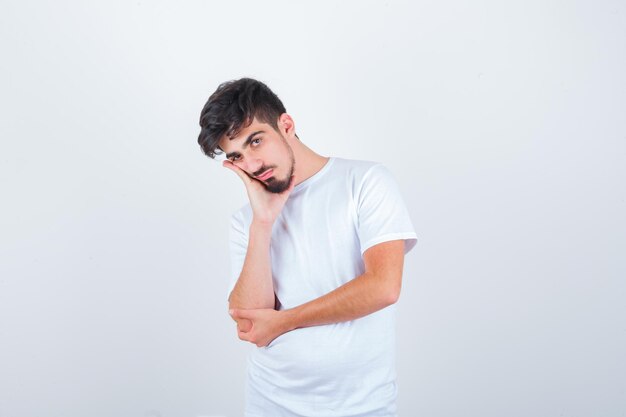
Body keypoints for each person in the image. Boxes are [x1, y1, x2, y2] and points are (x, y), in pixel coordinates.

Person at [197, 77, 418, 416]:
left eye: (256, 141)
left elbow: (383, 287)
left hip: (361, 407)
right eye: (237, 156)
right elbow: (249, 324)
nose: (252, 165)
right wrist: (263, 223)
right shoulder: (247, 222)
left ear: (286, 125)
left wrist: (284, 321)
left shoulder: (365, 182)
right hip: (270, 404)